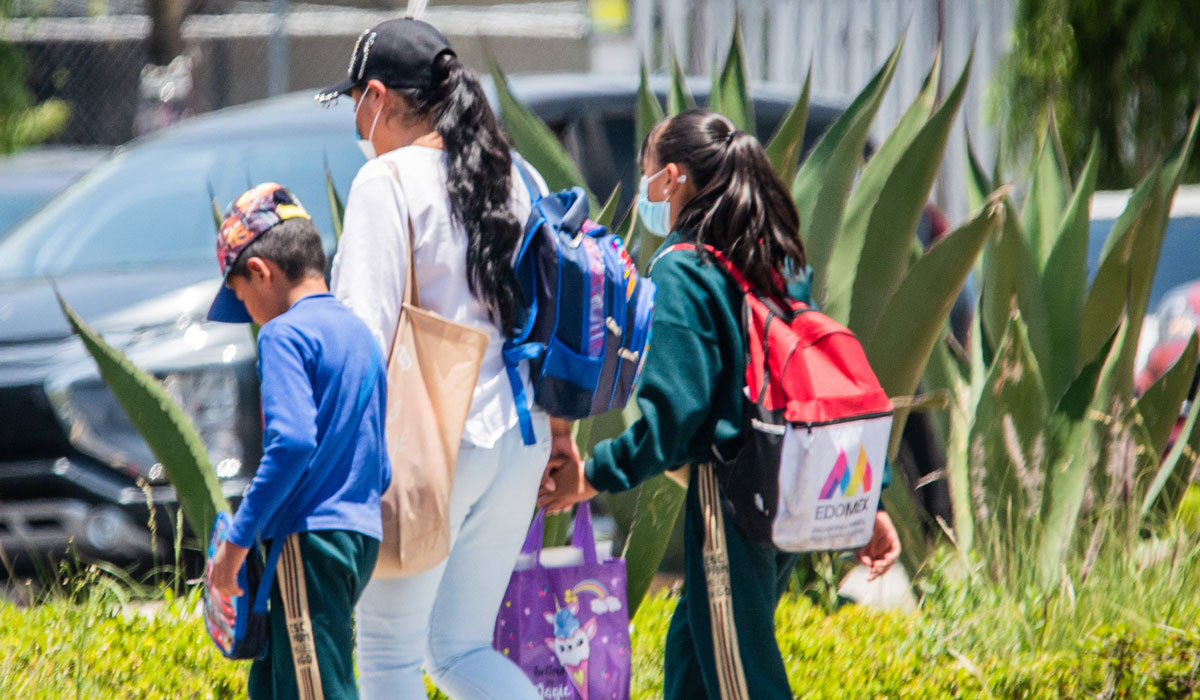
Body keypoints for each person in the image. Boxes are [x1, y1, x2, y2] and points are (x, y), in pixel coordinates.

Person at [539, 109, 902, 700]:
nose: (644, 188)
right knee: (690, 654)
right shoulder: (774, 263)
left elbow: (673, 415)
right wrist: (868, 504)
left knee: (741, 677)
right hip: (786, 486)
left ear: (675, 177)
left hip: (732, 495)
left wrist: (592, 475)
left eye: (647, 171)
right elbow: (816, 380)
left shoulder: (684, 269)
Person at [316, 18, 563, 700]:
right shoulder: (518, 175)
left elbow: (360, 341)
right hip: (521, 438)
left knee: (390, 658)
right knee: (457, 650)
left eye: (353, 105)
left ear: (375, 97)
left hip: (433, 446)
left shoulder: (385, 180)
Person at [206, 182, 391, 700]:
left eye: (242, 297)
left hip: (306, 542)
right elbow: (381, 466)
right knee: (273, 685)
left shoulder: (284, 335)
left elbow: (290, 445)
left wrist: (236, 546)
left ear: (261, 272)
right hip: (357, 537)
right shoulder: (360, 337)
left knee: (319, 691)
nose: (248, 312)